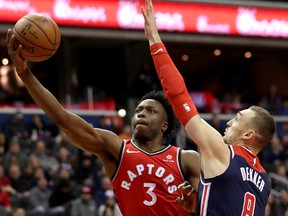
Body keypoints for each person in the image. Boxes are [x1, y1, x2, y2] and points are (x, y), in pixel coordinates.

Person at [6, 30, 200, 215]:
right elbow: (61, 117)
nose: (141, 114)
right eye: (138, 110)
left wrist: (196, 205)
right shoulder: (117, 149)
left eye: (150, 111)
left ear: (164, 125)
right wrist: (24, 74)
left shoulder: (186, 159)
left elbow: (210, 205)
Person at [141, 0, 276, 215]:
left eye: (238, 118)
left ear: (249, 133)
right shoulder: (264, 181)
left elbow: (178, 96)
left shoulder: (225, 153)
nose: (230, 121)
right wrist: (200, 204)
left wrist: (154, 40)